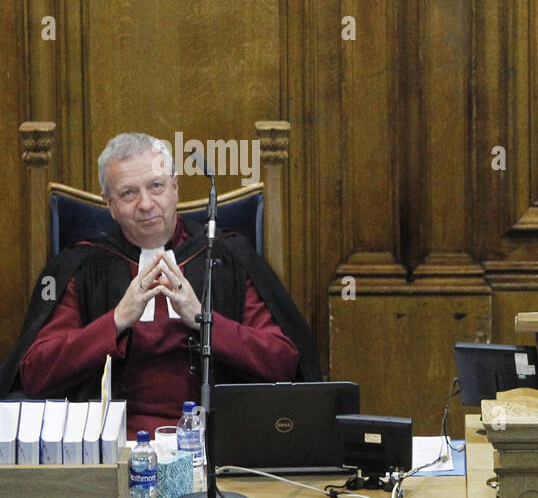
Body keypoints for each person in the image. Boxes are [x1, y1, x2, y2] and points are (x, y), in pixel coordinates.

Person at [0, 133, 321, 434]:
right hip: (112, 444)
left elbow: (283, 363)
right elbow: (36, 373)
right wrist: (115, 321)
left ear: (175, 188)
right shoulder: (82, 266)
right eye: (128, 193)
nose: (145, 203)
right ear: (109, 204)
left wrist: (203, 320)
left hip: (219, 440)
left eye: (156, 186)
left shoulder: (227, 257)